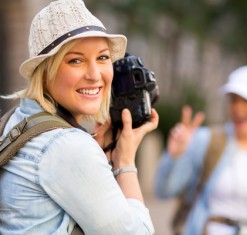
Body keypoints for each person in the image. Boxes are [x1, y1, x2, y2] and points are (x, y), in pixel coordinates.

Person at [0, 0, 158, 234]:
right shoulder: (68, 146)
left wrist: (96, 152)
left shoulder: (18, 119)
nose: (95, 75)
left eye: (103, 58)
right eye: (76, 60)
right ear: (45, 73)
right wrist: (124, 161)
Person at [155, 65, 247, 235]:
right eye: (233, 100)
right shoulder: (205, 140)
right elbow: (163, 190)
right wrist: (175, 157)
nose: (238, 108)